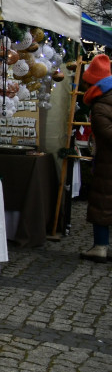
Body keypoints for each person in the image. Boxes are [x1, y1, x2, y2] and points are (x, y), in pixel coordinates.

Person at [80, 53, 112, 263]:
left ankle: (100, 247)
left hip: (108, 163)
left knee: (102, 203)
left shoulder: (100, 105)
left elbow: (107, 134)